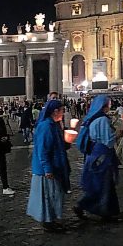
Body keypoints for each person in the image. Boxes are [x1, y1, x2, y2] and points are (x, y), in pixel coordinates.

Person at [73, 95, 123, 222]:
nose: (110, 106)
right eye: (108, 104)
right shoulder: (102, 120)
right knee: (104, 184)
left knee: (99, 184)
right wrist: (120, 132)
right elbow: (108, 141)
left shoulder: (92, 118)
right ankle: (97, 210)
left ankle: (103, 210)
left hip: (93, 154)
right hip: (102, 155)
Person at [27, 100, 70, 233]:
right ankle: (48, 221)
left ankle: (52, 219)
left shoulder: (54, 125)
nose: (63, 113)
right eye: (62, 110)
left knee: (54, 194)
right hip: (47, 168)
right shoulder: (46, 126)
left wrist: (67, 142)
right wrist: (47, 169)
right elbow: (43, 149)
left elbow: (57, 144)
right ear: (55, 111)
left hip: (55, 165)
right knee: (49, 195)